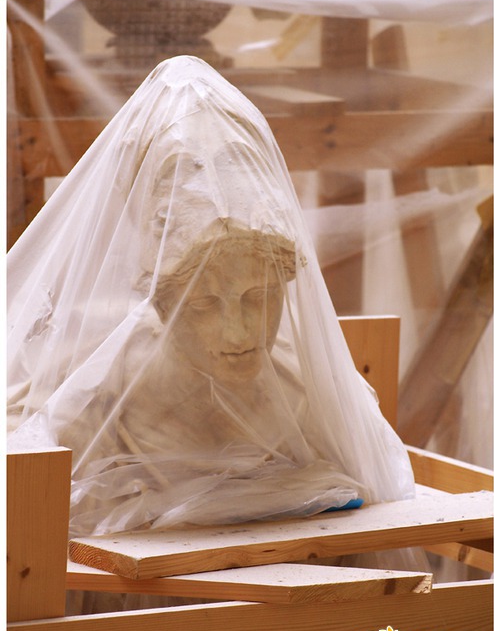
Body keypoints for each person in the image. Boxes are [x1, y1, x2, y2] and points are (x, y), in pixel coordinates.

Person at [7, 56, 415, 538]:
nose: (238, 334)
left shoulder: (314, 400)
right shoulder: (95, 405)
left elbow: (377, 529)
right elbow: (38, 538)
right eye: (203, 305)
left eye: (260, 296)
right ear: (159, 301)